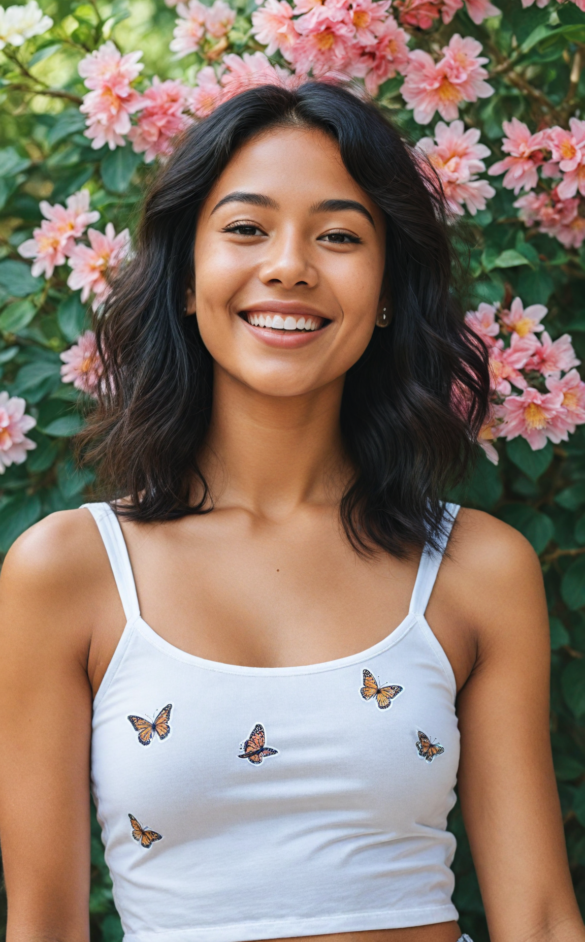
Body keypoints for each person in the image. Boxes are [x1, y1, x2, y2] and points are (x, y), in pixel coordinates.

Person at [0, 82, 582, 942]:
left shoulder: (476, 567)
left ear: (387, 290)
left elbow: (536, 915)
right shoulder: (68, 570)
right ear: (188, 281)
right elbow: (44, 924)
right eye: (245, 229)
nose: (289, 265)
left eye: (339, 236)